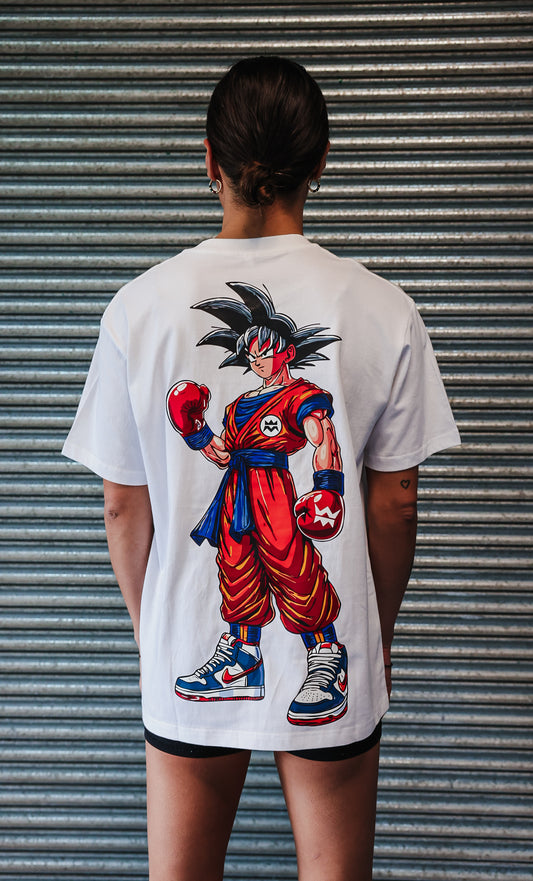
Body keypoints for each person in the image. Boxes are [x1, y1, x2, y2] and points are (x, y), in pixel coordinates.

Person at [62, 56, 460, 881]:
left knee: (288, 566)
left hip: (274, 510)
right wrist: (194, 425)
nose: (259, 354)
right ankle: (251, 650)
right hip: (237, 511)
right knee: (242, 572)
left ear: (209, 159)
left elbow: (121, 505)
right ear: (320, 162)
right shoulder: (383, 308)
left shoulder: (139, 306)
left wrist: (152, 629)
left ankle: (320, 653)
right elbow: (396, 502)